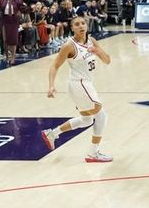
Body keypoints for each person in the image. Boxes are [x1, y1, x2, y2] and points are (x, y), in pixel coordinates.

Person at [41, 16, 113, 162]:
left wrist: (98, 52)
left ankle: (52, 134)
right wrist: (51, 85)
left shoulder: (92, 41)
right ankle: (94, 153)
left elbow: (107, 60)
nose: (81, 26)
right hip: (79, 84)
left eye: (82, 23)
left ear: (86, 25)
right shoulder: (69, 45)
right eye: (76, 24)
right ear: (72, 28)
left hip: (86, 84)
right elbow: (55, 65)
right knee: (101, 116)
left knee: (86, 120)